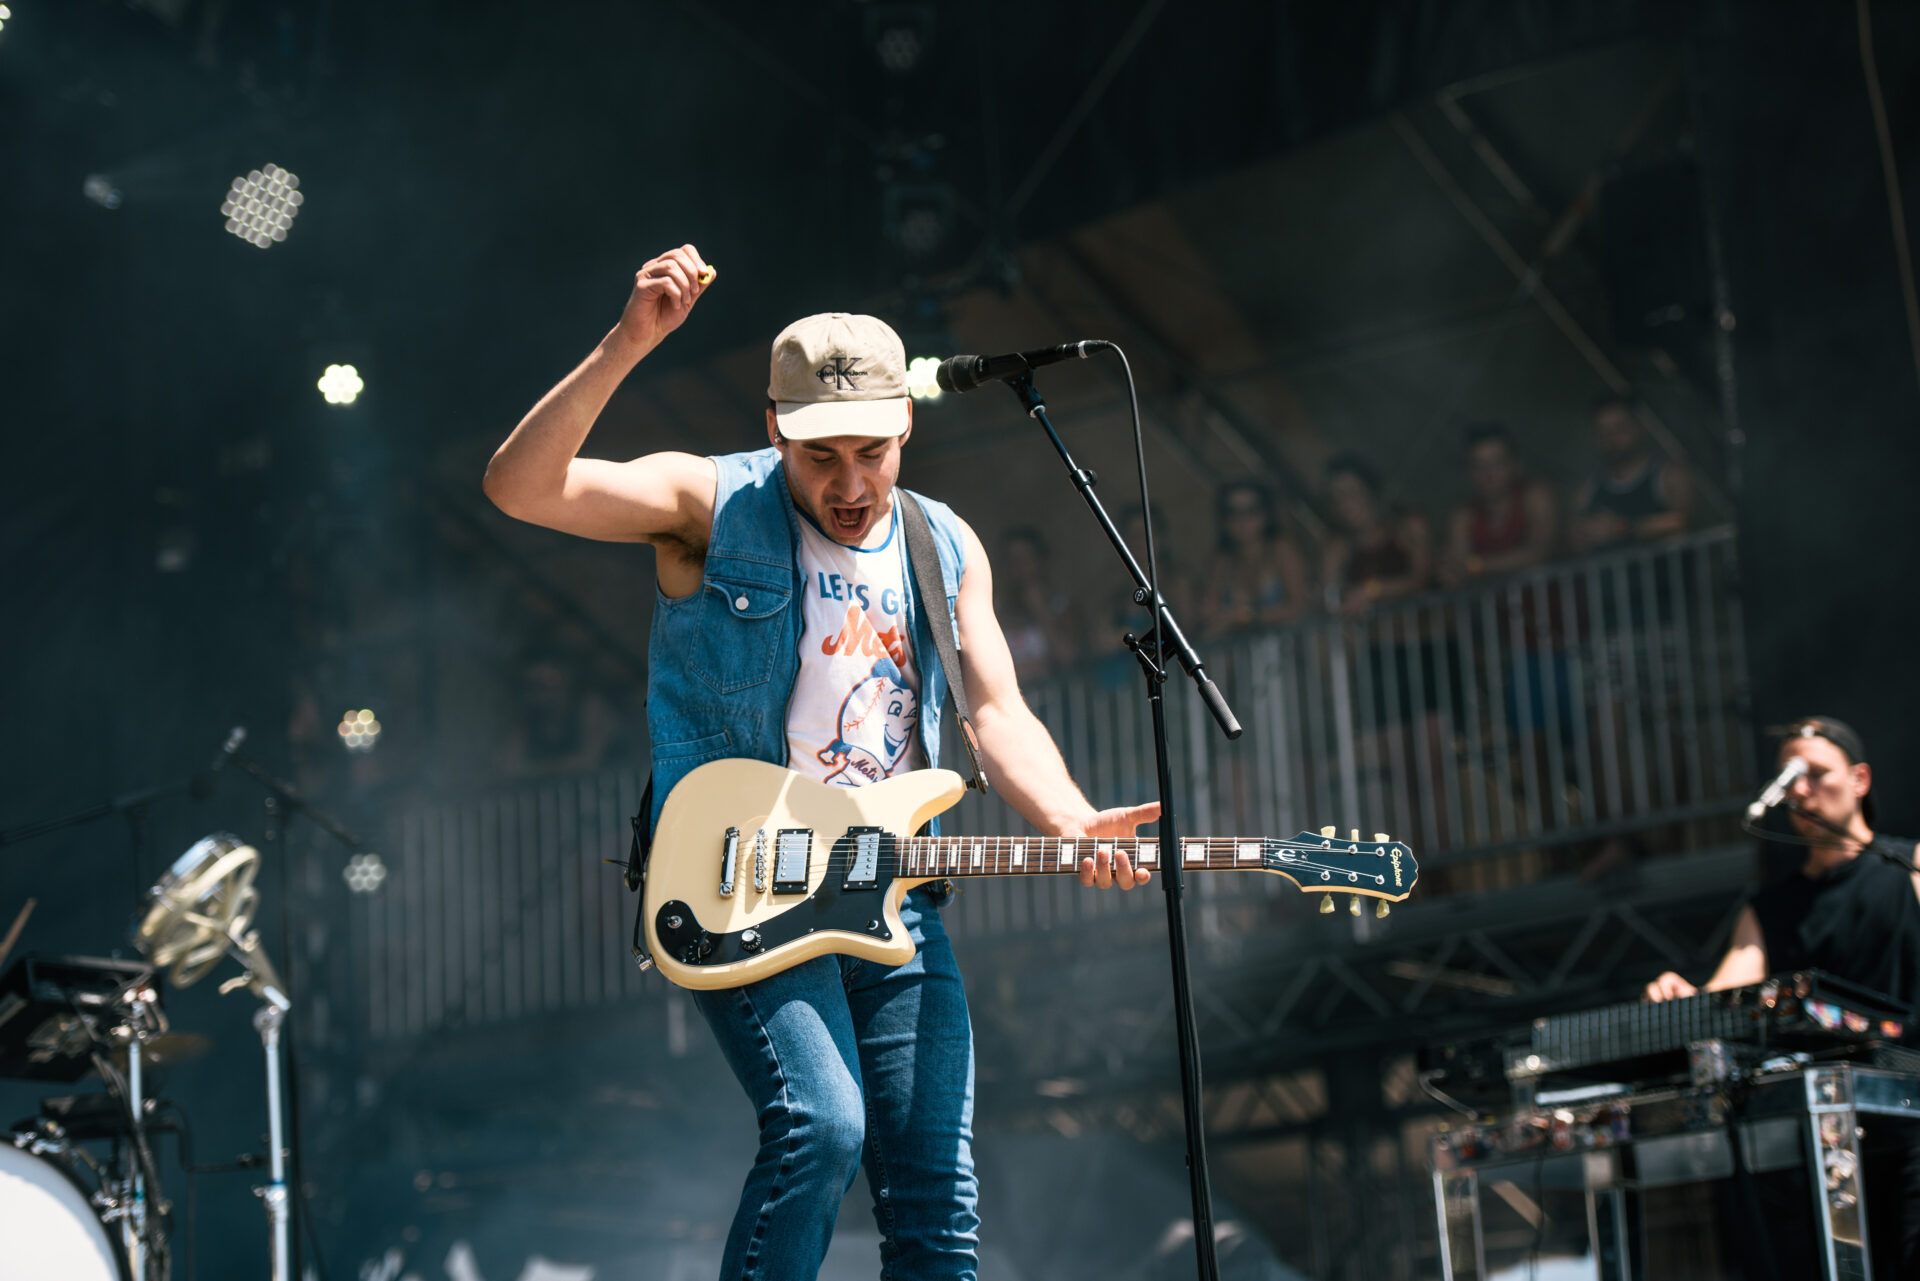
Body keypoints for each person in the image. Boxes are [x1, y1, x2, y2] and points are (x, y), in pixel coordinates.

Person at [481, 245, 1157, 1280]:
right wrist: (628, 343)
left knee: (937, 1202)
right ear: (774, 430)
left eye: (872, 453)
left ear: (906, 427)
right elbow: (521, 487)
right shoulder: (712, 504)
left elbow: (994, 710)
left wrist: (1069, 817)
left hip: (892, 896)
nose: (849, 484)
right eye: (820, 456)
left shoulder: (944, 544)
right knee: (822, 1125)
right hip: (741, 879)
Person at [1646, 717, 1920, 1276]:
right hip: (1823, 1146)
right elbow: (1723, 996)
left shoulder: (1909, 867)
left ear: (1860, 779)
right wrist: (1682, 999)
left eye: (1816, 773)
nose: (1801, 789)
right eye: (1789, 777)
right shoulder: (1769, 911)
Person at [1569, 394, 1693, 554]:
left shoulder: (1670, 474)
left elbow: (1682, 521)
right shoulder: (1588, 489)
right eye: (1602, 432)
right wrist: (1587, 533)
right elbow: (1573, 538)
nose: (1610, 438)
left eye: (1619, 428)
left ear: (1639, 427)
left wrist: (1622, 529)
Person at [1200, 480, 1310, 638]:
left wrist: (1242, 618)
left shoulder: (1281, 549)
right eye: (1233, 512)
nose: (1242, 520)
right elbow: (1211, 612)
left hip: (1289, 646)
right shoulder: (1222, 561)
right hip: (1242, 651)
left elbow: (1300, 606)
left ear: (1266, 514)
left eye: (1251, 511)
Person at [995, 525, 1078, 682]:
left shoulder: (1062, 608)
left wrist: (1040, 609)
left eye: (1026, 559)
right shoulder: (992, 611)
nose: (1019, 568)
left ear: (1041, 561)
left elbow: (1068, 657)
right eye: (1013, 560)